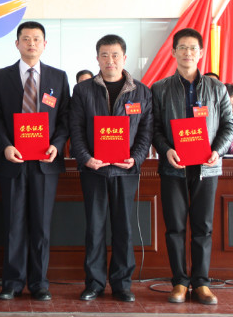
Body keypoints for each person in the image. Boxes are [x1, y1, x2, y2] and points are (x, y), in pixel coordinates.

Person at [151, 28, 233, 306]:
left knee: (203, 227)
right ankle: (179, 281)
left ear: (201, 52)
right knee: (174, 227)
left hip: (206, 168)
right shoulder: (160, 88)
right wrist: (166, 149)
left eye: (193, 48)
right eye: (182, 48)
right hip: (173, 167)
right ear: (173, 52)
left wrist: (217, 151)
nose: (188, 53)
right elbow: (154, 128)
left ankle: (201, 283)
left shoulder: (217, 88)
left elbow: (229, 125)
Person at [0, 21, 70, 302]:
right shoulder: (1, 76)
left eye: (37, 39)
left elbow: (65, 118)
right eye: (26, 39)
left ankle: (39, 283)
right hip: (13, 159)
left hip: (45, 162)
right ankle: (12, 282)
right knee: (14, 224)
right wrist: (5, 146)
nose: (31, 43)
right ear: (17, 44)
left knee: (41, 225)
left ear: (44, 44)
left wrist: (56, 145)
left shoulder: (58, 77)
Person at [69, 34, 152, 303]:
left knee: (123, 229)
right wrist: (85, 158)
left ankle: (122, 284)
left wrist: (135, 158)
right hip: (94, 170)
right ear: (97, 58)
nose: (110, 60)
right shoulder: (83, 91)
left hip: (125, 171)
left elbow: (146, 132)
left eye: (115, 55)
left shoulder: (141, 92)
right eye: (104, 55)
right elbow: (76, 129)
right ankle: (94, 283)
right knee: (94, 229)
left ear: (124, 58)